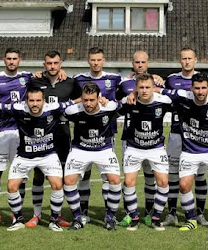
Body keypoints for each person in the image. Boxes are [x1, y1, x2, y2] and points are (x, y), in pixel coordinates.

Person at [155, 72, 208, 232]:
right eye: (197, 88)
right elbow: (156, 90)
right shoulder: (181, 96)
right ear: (191, 88)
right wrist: (143, 86)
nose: (200, 92)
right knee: (184, 185)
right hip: (190, 151)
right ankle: (191, 219)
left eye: (203, 88)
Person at [0, 87, 78, 231]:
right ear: (26, 101)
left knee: (57, 184)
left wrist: (100, 100)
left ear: (44, 101)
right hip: (24, 155)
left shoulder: (52, 108)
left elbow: (75, 102)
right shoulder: (18, 108)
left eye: (38, 100)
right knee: (11, 187)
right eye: (31, 101)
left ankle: (54, 220)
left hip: (48, 155)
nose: (35, 104)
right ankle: (18, 219)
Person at [25, 51, 81, 228]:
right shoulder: (35, 81)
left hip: (62, 134)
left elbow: (82, 97)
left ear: (61, 64)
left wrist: (67, 106)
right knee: (39, 173)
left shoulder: (70, 82)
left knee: (61, 176)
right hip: (40, 135)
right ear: (44, 64)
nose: (52, 66)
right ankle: (36, 214)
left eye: (55, 63)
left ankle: (56, 215)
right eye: (49, 63)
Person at [163, 47, 208, 227]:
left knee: (199, 176)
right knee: (173, 176)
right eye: (183, 58)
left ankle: (199, 214)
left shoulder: (206, 80)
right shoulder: (171, 79)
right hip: (177, 134)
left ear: (195, 60)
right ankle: (172, 214)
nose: (186, 61)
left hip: (198, 136)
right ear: (180, 60)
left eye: (190, 58)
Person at [0, 48, 33, 226]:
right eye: (9, 59)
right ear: (4, 60)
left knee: (20, 175)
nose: (12, 61)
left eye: (15, 59)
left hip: (21, 133)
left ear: (20, 60)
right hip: (0, 133)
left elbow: (48, 78)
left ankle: (15, 213)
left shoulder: (27, 77)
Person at [63, 82, 121, 231]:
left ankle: (109, 218)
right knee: (69, 181)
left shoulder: (109, 108)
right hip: (80, 149)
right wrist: (75, 101)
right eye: (85, 100)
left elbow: (122, 104)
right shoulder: (73, 110)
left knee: (114, 180)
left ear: (98, 98)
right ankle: (77, 218)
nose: (88, 104)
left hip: (104, 149)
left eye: (92, 100)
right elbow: (58, 109)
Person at [74, 47, 122, 224]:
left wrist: (154, 77)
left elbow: (130, 91)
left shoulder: (114, 79)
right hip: (83, 136)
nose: (96, 63)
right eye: (93, 60)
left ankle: (108, 212)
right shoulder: (78, 79)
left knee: (107, 176)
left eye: (99, 60)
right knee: (84, 175)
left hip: (107, 135)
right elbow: (70, 100)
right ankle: (84, 211)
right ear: (88, 60)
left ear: (104, 60)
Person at [118, 73, 170, 231]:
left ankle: (155, 218)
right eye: (141, 87)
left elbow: (182, 102)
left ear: (154, 87)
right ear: (136, 88)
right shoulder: (129, 102)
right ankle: (134, 218)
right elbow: (111, 109)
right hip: (134, 148)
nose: (145, 90)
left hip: (156, 148)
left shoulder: (164, 101)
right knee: (128, 182)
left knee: (163, 182)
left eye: (148, 87)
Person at [116, 51, 159, 227]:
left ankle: (148, 212)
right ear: (132, 63)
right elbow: (116, 104)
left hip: (151, 140)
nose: (140, 65)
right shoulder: (124, 83)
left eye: (143, 62)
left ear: (148, 63)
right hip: (130, 138)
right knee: (129, 178)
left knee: (151, 178)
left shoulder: (156, 82)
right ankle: (129, 213)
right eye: (137, 62)